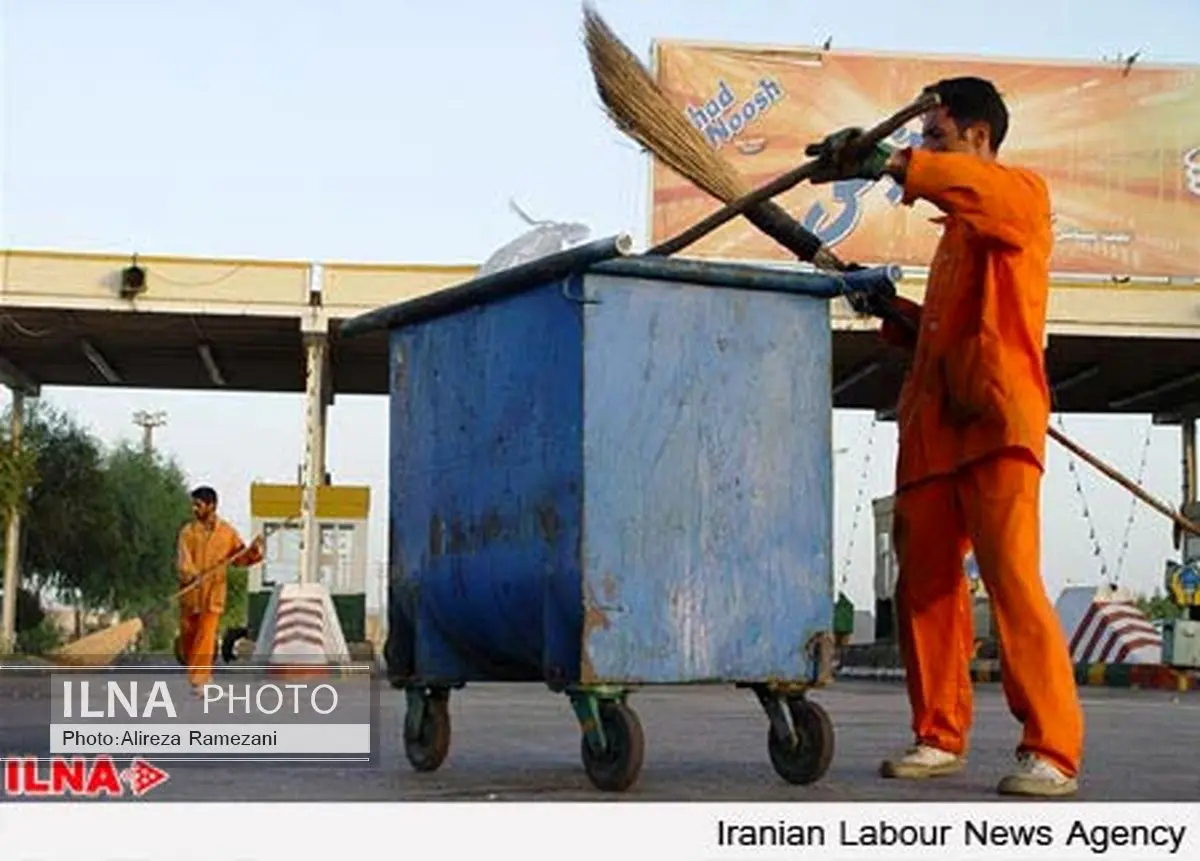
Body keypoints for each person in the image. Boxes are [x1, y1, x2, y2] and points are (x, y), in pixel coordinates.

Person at [805, 77, 1084, 797]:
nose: (925, 150)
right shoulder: (956, 238)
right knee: (925, 587)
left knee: (1012, 581)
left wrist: (896, 166)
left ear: (979, 139)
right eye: (923, 141)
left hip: (995, 424)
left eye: (937, 137)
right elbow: (941, 337)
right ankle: (938, 734)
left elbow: (974, 194)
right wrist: (889, 307)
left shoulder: (1019, 197)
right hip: (934, 432)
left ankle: (1051, 749)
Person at [176, 485, 263, 692]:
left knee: (206, 636)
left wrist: (255, 551)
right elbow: (183, 561)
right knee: (189, 637)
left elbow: (240, 558)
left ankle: (200, 679)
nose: (194, 509)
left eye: (198, 505)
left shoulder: (227, 533)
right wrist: (191, 575)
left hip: (213, 595)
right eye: (193, 505)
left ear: (211, 506)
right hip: (190, 595)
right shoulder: (187, 533)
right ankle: (195, 669)